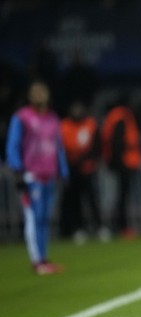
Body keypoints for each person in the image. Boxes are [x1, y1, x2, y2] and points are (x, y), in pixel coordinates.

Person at [5, 79, 69, 275]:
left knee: (44, 219)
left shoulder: (52, 119)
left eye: (43, 92)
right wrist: (17, 170)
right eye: (37, 92)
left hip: (48, 175)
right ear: (31, 96)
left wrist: (63, 170)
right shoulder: (22, 117)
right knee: (33, 218)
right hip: (30, 176)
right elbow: (13, 145)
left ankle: (44, 257)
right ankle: (37, 261)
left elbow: (58, 146)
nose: (40, 96)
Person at [60, 100, 110, 243]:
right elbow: (61, 148)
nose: (77, 111)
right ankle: (79, 229)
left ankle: (100, 227)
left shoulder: (90, 124)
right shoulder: (65, 126)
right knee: (75, 201)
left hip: (88, 168)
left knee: (93, 199)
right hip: (72, 169)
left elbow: (97, 145)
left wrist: (89, 160)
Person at [101, 95, 141, 239]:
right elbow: (118, 140)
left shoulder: (114, 115)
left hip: (121, 161)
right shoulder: (121, 115)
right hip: (124, 161)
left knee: (120, 195)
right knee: (122, 196)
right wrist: (119, 162)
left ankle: (119, 225)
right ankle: (122, 227)